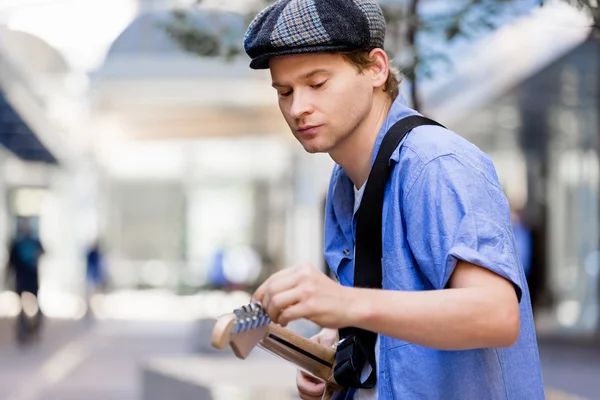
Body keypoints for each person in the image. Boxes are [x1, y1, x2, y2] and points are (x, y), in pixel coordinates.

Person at [244, 1, 545, 399]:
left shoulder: (436, 166)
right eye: (284, 91)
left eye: (317, 84)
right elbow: (392, 304)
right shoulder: (345, 181)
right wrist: (336, 350)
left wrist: (345, 303)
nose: (298, 108)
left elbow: (497, 315)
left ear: (376, 68)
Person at [5, 217, 45, 344]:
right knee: (21, 306)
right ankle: (23, 331)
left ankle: (33, 328)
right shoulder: (17, 243)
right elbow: (10, 262)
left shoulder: (34, 241)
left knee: (36, 306)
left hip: (32, 277)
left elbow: (43, 252)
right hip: (21, 278)